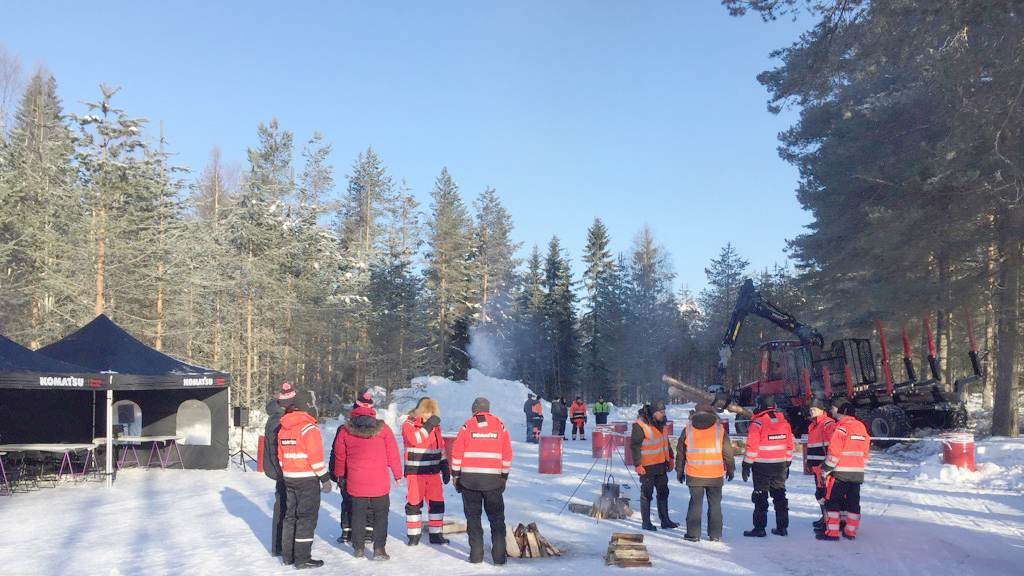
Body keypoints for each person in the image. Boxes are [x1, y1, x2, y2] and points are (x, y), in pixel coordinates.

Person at [331, 388, 403, 560]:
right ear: (371, 409)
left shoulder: (345, 430)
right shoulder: (383, 429)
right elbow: (393, 453)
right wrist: (397, 475)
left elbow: (339, 455)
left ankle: (358, 549)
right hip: (380, 480)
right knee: (381, 514)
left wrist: (339, 475)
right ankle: (379, 549)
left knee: (357, 513)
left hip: (356, 481)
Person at [452, 397, 513, 565]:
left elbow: (457, 453)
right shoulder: (500, 426)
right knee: (497, 520)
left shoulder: (466, 426)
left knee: (473, 518)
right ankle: (499, 557)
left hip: (469, 481)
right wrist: (504, 476)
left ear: (474, 411)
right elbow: (507, 453)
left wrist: (455, 475)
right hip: (493, 481)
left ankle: (476, 555)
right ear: (488, 409)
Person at [277, 390, 331, 569]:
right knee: (306, 518)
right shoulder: (309, 428)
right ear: (308, 405)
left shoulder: (284, 426)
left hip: (289, 478)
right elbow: (315, 458)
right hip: (307, 479)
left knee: (290, 516)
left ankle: (288, 556)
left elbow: (280, 456)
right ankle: (302, 559)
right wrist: (325, 479)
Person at [675, 403, 734, 542]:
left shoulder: (688, 430)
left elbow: (680, 453)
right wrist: (730, 468)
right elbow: (728, 452)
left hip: (694, 474)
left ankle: (693, 534)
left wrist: (679, 470)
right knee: (715, 504)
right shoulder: (719, 430)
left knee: (695, 503)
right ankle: (715, 535)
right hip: (715, 475)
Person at [817, 400, 871, 541]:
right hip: (857, 473)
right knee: (853, 503)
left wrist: (826, 468)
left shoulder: (841, 428)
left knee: (832, 502)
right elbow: (865, 453)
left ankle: (832, 533)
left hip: (840, 473)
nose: (837, 414)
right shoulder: (862, 428)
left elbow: (834, 453)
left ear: (844, 414)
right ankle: (850, 532)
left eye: (839, 412)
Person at [741, 394, 794, 537]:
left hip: (762, 467)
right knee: (780, 496)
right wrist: (787, 463)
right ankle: (782, 528)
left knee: (760, 497)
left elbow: (752, 448)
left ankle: (759, 528)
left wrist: (746, 465)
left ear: (760, 406)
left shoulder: (757, 424)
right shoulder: (784, 423)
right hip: (780, 465)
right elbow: (790, 446)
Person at [402, 397, 451, 546]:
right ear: (420, 411)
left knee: (437, 503)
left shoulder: (435, 427)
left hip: (433, 472)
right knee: (414, 503)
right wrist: (429, 425)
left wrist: (444, 466)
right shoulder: (409, 424)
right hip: (415, 472)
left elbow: (440, 447)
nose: (429, 415)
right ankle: (414, 536)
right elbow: (415, 439)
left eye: (431, 412)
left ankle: (436, 534)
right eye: (427, 412)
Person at [329, 390, 376, 545]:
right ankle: (368, 532)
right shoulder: (376, 428)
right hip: (368, 472)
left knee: (348, 502)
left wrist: (335, 473)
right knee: (368, 502)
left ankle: (346, 532)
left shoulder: (344, 428)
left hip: (347, 472)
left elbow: (336, 452)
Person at [631, 400, 679, 531]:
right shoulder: (640, 425)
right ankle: (646, 523)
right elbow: (635, 446)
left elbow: (665, 443)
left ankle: (665, 520)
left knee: (663, 493)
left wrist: (670, 458)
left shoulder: (662, 424)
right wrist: (637, 464)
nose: (664, 414)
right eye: (661, 412)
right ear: (654, 413)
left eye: (664, 412)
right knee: (647, 495)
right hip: (647, 467)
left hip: (661, 465)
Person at [264, 382, 296, 558]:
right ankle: (281, 546)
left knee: (283, 506)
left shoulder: (277, 416)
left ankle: (280, 545)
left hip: (281, 470)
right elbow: (279, 449)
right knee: (283, 508)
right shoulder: (279, 420)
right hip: (282, 470)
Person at [805, 397, 837, 532]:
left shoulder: (828, 424)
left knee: (825, 495)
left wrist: (829, 464)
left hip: (824, 468)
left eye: (814, 409)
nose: (811, 412)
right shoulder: (812, 425)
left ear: (822, 410)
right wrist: (808, 461)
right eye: (810, 409)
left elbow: (833, 446)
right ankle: (824, 518)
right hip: (815, 467)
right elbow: (811, 446)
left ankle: (828, 521)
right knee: (820, 494)